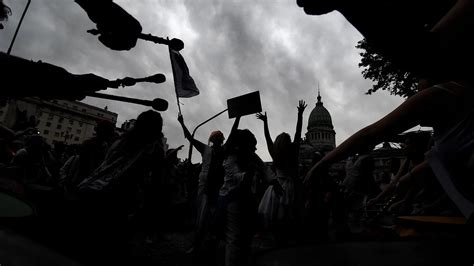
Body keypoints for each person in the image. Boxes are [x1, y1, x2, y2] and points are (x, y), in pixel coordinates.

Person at [298, 0, 474, 223]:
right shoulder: (450, 121)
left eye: (420, 77)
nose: (416, 88)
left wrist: (322, 164)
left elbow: (370, 134)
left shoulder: (447, 96)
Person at [218, 128, 283, 266]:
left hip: (246, 199)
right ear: (243, 146)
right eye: (252, 146)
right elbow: (238, 178)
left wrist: (275, 183)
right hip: (232, 200)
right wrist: (250, 172)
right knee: (234, 238)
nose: (254, 148)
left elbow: (265, 168)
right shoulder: (230, 160)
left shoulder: (251, 156)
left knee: (247, 235)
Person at [178, 114, 238, 256]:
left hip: (218, 191)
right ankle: (198, 244)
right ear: (213, 141)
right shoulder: (206, 149)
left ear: (220, 141)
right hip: (205, 189)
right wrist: (182, 123)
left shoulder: (223, 152)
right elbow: (190, 138)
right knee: (201, 218)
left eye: (219, 139)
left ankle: (213, 245)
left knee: (216, 219)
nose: (217, 141)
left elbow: (232, 134)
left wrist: (238, 117)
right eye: (215, 139)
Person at [255, 100, 306, 245]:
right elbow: (298, 133)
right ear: (289, 143)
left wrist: (265, 122)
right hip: (292, 188)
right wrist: (300, 114)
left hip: (276, 190)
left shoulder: (274, 153)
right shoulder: (293, 152)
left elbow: (267, 137)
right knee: (292, 216)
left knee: (276, 218)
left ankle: (278, 240)